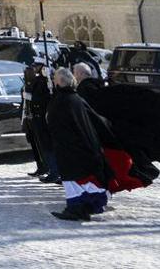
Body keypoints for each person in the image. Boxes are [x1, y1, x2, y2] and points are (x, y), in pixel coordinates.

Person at [47, 66, 117, 221]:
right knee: (77, 182)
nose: (53, 81)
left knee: (74, 182)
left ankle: (76, 209)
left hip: (71, 149)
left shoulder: (63, 100)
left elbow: (57, 125)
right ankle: (82, 208)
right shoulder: (75, 98)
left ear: (60, 82)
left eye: (54, 79)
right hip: (77, 148)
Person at [24, 60, 59, 181]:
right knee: (43, 145)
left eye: (37, 66)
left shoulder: (46, 81)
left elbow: (45, 98)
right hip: (37, 117)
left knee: (49, 145)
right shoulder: (37, 81)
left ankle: (55, 171)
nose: (34, 68)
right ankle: (50, 169)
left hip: (44, 117)